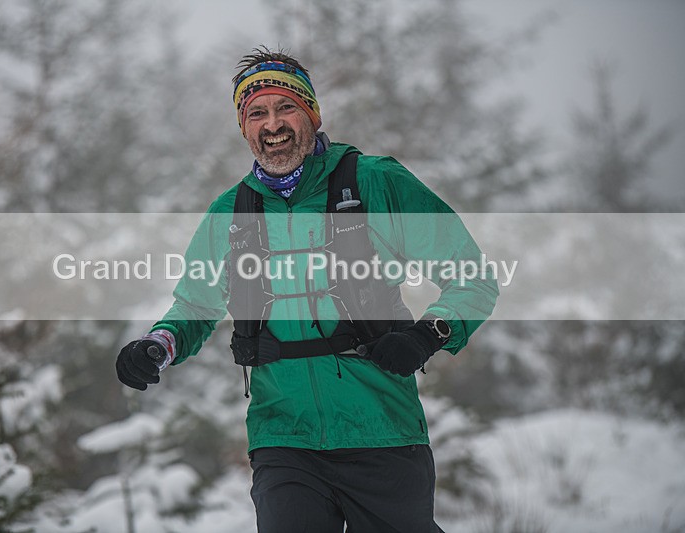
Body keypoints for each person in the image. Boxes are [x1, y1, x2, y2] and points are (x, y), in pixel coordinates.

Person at [115, 46, 498, 532]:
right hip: (283, 437)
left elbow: (472, 276)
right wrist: (158, 344)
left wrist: (428, 335)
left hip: (382, 430)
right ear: (245, 128)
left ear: (312, 115)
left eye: (285, 107)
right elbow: (195, 303)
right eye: (256, 113)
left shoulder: (376, 183)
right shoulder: (231, 213)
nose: (272, 123)